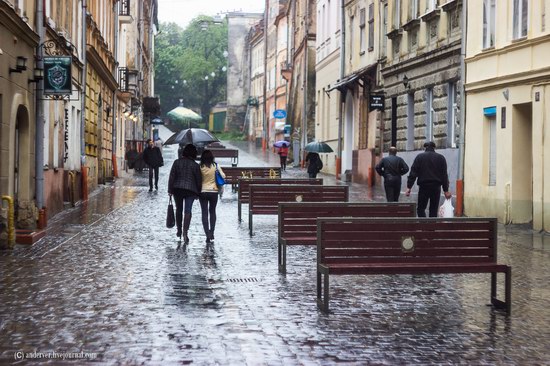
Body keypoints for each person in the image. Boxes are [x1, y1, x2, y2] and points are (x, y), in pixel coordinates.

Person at [405, 141, 452, 217]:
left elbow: (413, 173)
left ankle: (423, 226)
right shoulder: (441, 158)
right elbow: (444, 175)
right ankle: (431, 228)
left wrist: (409, 187)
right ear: (434, 148)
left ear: (425, 148)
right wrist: (446, 190)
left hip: (424, 187)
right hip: (436, 188)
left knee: (421, 208)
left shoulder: (419, 157)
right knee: (433, 209)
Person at [168, 144, 202, 242]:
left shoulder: (177, 162)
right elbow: (198, 180)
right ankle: (185, 232)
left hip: (177, 189)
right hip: (191, 191)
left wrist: (170, 190)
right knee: (188, 211)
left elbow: (172, 177)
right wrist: (198, 192)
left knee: (179, 209)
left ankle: (179, 229)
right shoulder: (195, 165)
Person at [199, 150, 226, 244]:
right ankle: (212, 232)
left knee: (204, 213)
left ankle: (207, 235)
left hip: (203, 191)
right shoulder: (216, 166)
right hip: (213, 191)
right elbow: (223, 176)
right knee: (212, 211)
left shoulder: (200, 166)